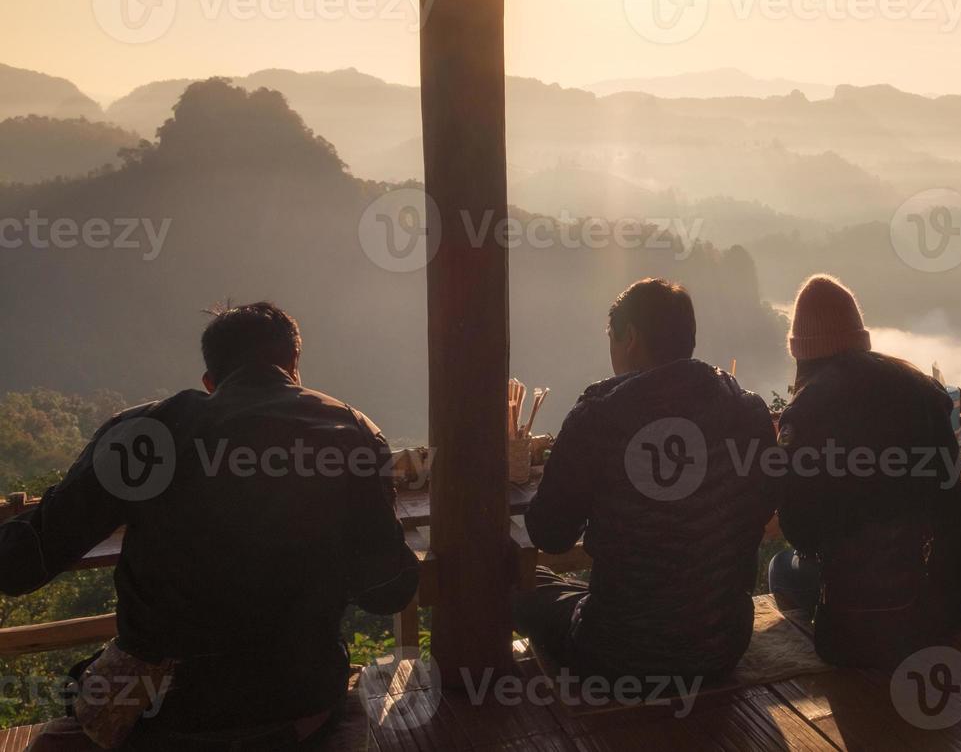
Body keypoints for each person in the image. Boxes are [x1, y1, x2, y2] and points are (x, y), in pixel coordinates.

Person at [0, 302, 420, 750]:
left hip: (168, 710)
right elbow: (389, 592)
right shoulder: (351, 431)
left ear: (209, 379)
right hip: (300, 701)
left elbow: (18, 565)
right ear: (293, 366)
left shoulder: (147, 433)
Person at [516, 279, 775, 686]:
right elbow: (759, 508)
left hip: (618, 651)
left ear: (630, 337)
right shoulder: (747, 410)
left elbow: (550, 535)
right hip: (721, 644)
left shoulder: (599, 416)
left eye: (612, 339)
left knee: (516, 582)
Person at [768, 275, 961, 669]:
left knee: (781, 568)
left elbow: (801, 533)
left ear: (801, 352)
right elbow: (949, 484)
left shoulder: (805, 414)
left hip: (870, 620)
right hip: (958, 592)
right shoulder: (922, 388)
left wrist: (784, 459)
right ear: (860, 336)